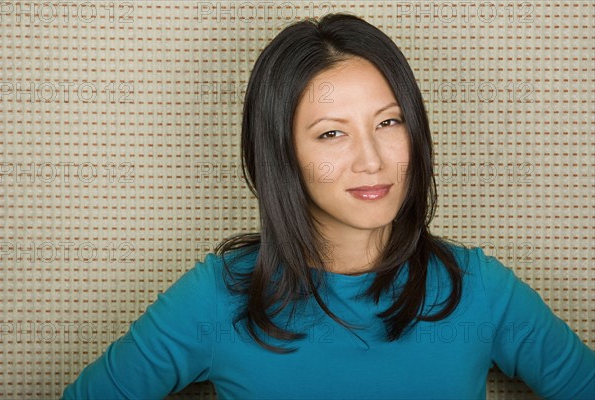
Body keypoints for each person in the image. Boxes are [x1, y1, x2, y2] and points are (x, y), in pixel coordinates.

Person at [61, 13, 594, 400]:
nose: (372, 160)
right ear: (282, 154)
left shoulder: (480, 289)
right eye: (332, 133)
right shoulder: (216, 298)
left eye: (389, 123)